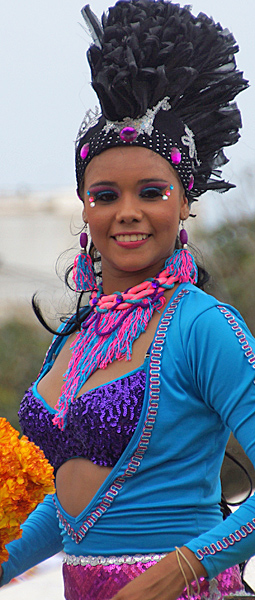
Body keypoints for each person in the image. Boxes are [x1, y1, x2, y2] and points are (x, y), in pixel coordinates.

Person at [1, 2, 255, 599]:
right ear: (86, 207)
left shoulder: (204, 327)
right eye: (106, 194)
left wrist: (179, 571)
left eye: (152, 191)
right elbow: (69, 506)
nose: (128, 212)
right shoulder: (77, 334)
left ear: (186, 203)